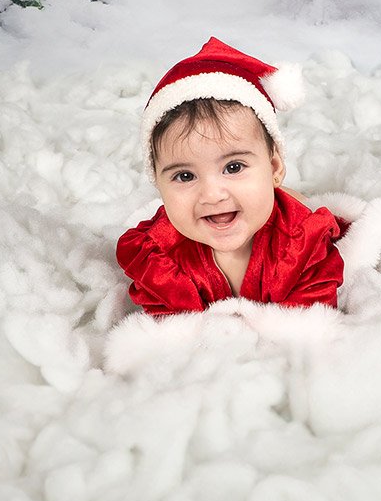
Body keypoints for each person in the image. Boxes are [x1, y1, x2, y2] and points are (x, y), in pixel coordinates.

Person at [117, 38, 346, 316]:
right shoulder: (158, 257)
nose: (213, 194)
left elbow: (309, 329)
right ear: (158, 183)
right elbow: (174, 339)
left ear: (274, 167)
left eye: (233, 167)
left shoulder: (300, 245)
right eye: (185, 175)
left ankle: (286, 195)